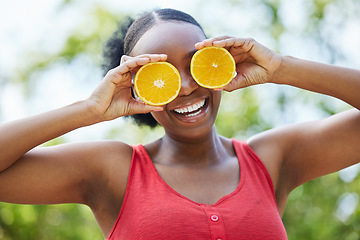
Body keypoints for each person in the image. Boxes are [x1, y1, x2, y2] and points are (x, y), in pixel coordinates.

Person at [0, 8, 359, 240]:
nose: (186, 86)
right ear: (137, 87)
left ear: (218, 63)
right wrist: (90, 109)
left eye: (196, 64)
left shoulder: (270, 159)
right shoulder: (114, 170)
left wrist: (281, 68)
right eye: (163, 76)